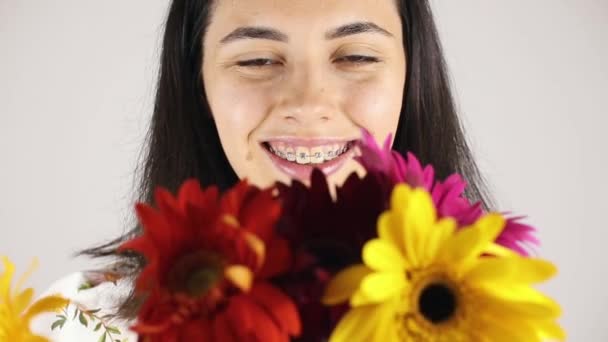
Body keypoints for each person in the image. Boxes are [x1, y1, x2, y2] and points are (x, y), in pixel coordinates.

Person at [32, 0, 492, 340]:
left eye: (356, 57)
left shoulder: (495, 316)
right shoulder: (78, 324)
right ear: (199, 89)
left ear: (412, 78)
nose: (309, 103)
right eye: (257, 60)